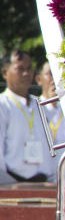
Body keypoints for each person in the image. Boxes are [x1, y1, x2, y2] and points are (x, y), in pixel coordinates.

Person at [0, 49, 46, 183]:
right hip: (12, 180)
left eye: (29, 68)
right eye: (20, 69)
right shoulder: (3, 104)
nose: (26, 73)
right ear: (5, 73)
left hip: (44, 180)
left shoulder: (39, 104)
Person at [35, 61, 65, 184]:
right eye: (50, 74)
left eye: (57, 73)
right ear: (39, 79)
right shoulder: (32, 109)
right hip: (41, 183)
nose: (54, 78)